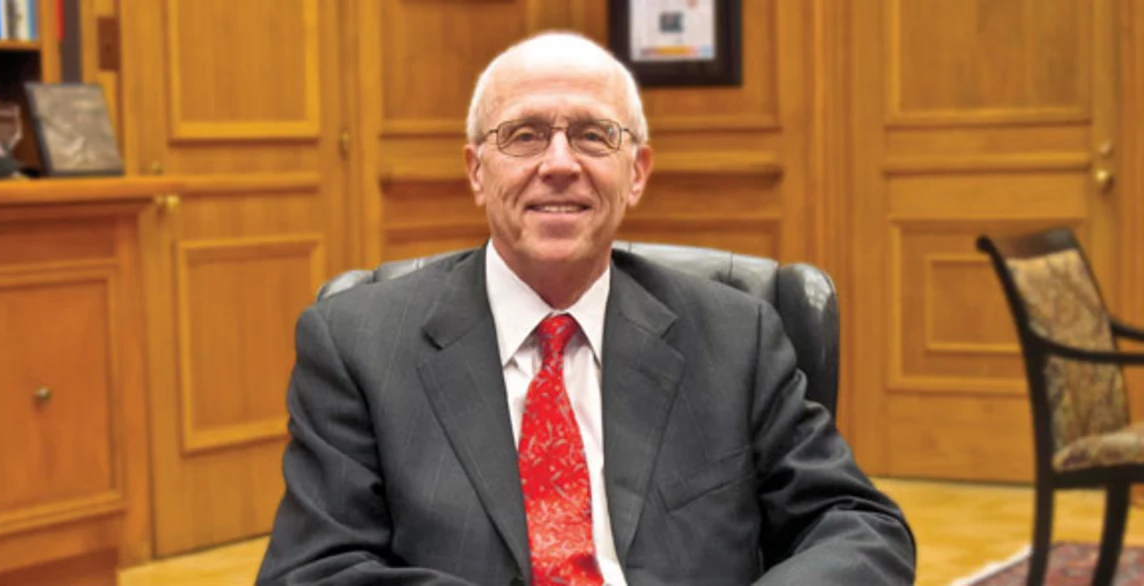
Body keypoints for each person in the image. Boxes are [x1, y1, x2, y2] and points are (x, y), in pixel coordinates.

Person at [257, 31, 915, 585]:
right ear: (475, 169)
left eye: (595, 136)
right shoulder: (358, 343)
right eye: (524, 135)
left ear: (637, 171)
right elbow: (313, 570)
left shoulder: (736, 334)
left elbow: (860, 526)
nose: (561, 164)